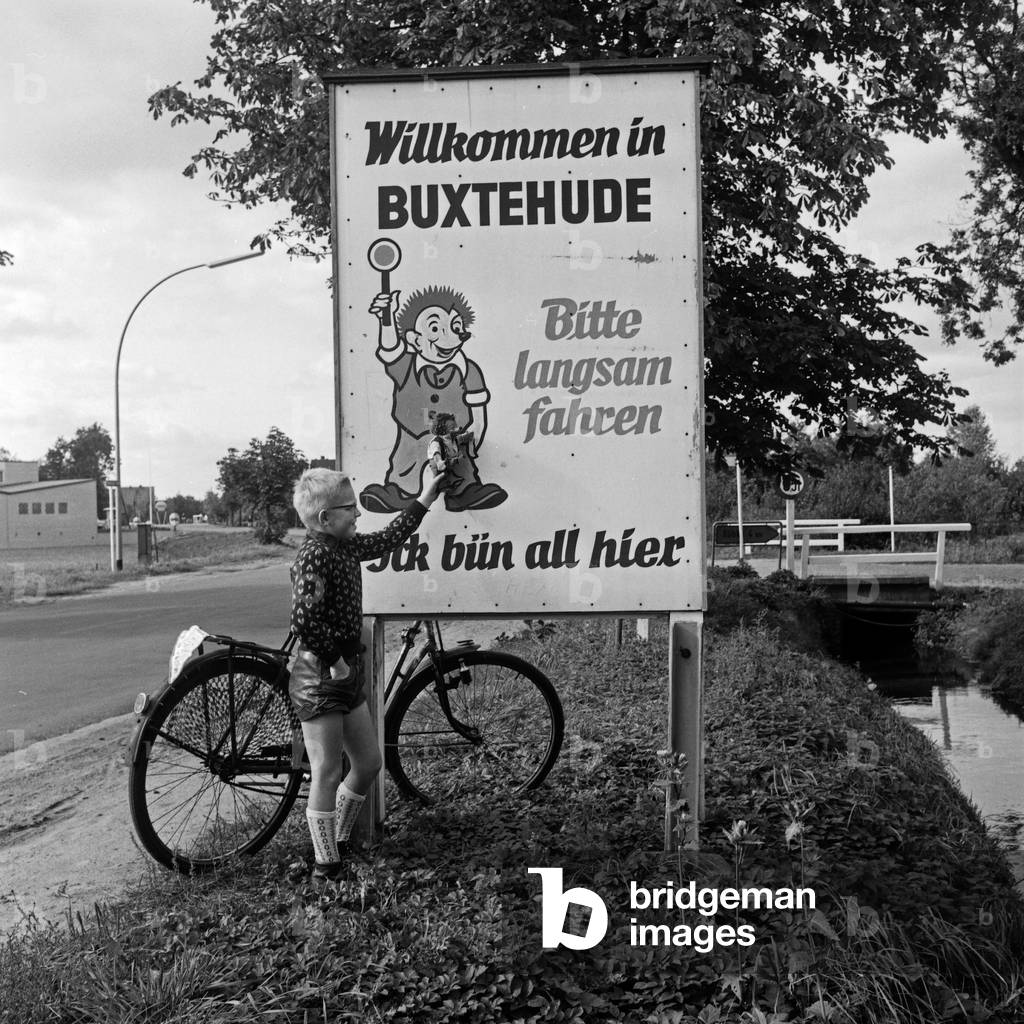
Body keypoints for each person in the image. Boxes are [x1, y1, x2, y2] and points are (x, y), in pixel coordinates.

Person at [289, 464, 445, 880]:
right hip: (321, 677)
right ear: (326, 519)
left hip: (343, 676)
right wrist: (337, 660)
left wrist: (426, 496)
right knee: (326, 769)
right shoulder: (315, 555)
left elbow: (388, 539)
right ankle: (326, 866)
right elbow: (304, 620)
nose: (358, 516)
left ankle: (338, 840)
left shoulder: (344, 547)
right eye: (351, 508)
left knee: (369, 762)